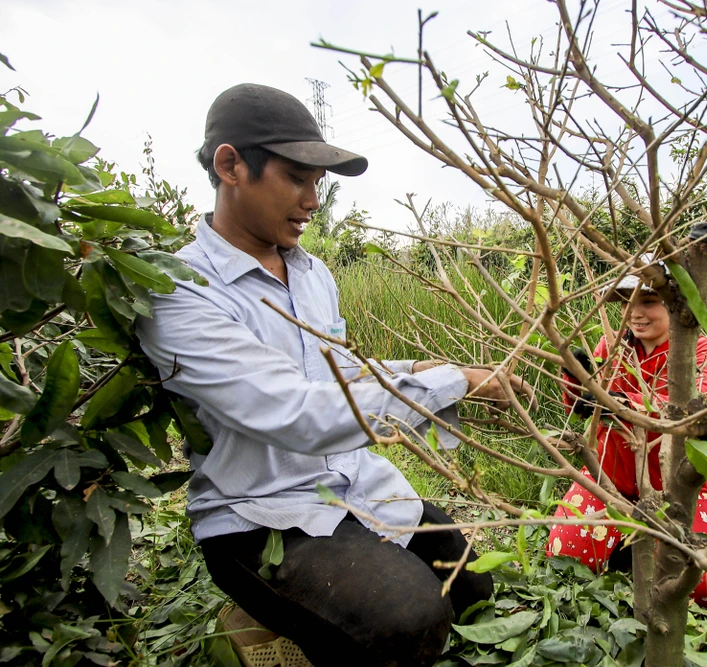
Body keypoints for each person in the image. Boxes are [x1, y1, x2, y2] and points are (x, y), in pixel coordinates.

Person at [137, 84, 530, 667]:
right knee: (410, 625)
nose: (312, 201)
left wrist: (425, 370)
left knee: (471, 586)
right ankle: (256, 627)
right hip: (260, 517)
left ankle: (297, 621)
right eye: (297, 178)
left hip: (349, 485)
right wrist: (453, 384)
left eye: (317, 183)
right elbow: (293, 411)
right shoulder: (178, 288)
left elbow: (336, 372)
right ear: (230, 166)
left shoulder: (311, 273)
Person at [545, 257, 707, 608]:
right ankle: (626, 550)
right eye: (628, 302)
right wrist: (575, 381)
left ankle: (640, 548)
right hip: (608, 479)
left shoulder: (702, 352)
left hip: (673, 491)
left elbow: (693, 413)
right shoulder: (611, 345)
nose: (635, 313)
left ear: (675, 302)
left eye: (648, 300)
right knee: (563, 561)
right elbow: (581, 407)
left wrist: (621, 403)